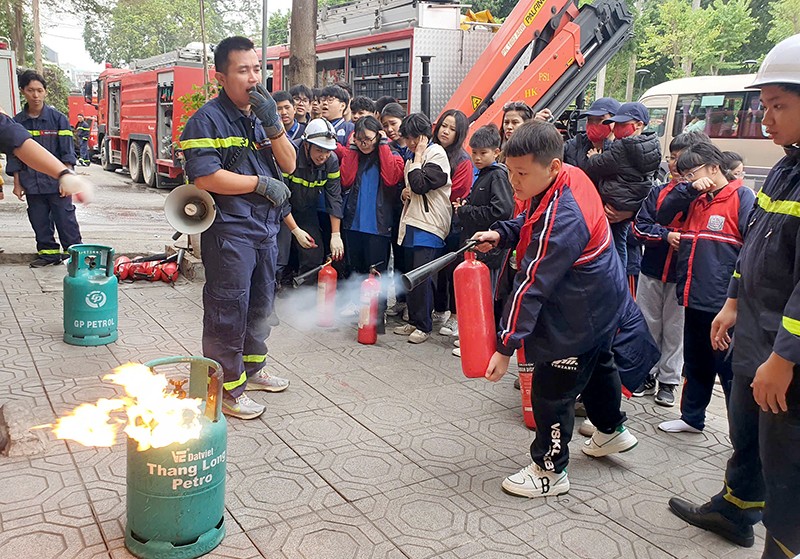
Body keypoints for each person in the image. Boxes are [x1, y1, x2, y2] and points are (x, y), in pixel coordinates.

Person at [668, 35, 800, 558]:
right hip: (753, 334)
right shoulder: (788, 167)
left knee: (786, 457)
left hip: (784, 350)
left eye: (779, 106)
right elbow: (754, 250)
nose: (766, 118)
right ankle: (736, 509)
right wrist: (731, 302)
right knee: (748, 434)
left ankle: (784, 546)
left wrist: (785, 358)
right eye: (764, 105)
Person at [472, 120, 638, 498]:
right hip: (603, 298)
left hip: (579, 309)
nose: (514, 181)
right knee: (597, 366)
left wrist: (505, 345)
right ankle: (612, 431)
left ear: (553, 167)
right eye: (511, 170)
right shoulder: (564, 178)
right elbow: (531, 218)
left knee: (553, 388)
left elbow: (531, 282)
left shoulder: (564, 215)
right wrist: (503, 232)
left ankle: (550, 470)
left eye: (521, 174)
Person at [178, 36, 296, 420]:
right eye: (243, 70)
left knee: (260, 305)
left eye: (257, 68)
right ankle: (225, 389)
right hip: (230, 231)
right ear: (220, 78)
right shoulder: (206, 120)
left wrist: (274, 125)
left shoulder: (263, 118)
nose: (253, 77)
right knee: (228, 309)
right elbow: (206, 177)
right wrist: (259, 184)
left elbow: (290, 165)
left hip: (264, 229)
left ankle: (253, 369)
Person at [655, 142, 755, 433]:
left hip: (723, 302)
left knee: (729, 370)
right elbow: (662, 214)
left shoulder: (741, 197)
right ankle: (691, 417)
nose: (686, 178)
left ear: (713, 167)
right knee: (697, 362)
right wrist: (688, 189)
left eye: (691, 172)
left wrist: (735, 301)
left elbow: (751, 249)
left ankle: (741, 434)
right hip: (693, 295)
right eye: (683, 174)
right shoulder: (695, 199)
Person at [632, 131, 710, 407]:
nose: (676, 165)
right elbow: (640, 227)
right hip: (652, 268)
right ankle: (646, 373)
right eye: (673, 158)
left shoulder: (706, 197)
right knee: (648, 323)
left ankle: (669, 380)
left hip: (684, 275)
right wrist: (665, 236)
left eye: (683, 160)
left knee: (676, 329)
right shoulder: (658, 191)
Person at [333, 115, 405, 330]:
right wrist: (354, 150)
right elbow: (344, 179)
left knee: (377, 273)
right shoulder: (354, 154)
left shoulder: (392, 154)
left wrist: (382, 144)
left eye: (368, 139)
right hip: (353, 223)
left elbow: (392, 178)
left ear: (378, 137)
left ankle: (378, 312)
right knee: (357, 268)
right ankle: (359, 305)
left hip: (378, 226)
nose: (364, 144)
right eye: (360, 139)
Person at [7, 70, 83, 268]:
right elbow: (14, 154)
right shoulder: (16, 122)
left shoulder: (58, 120)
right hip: (31, 182)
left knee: (66, 220)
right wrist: (17, 182)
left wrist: (67, 177)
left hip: (57, 182)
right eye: (31, 90)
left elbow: (67, 151)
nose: (36, 95)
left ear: (46, 92)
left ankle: (75, 256)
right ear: (22, 91)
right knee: (39, 220)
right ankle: (48, 254)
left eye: (40, 90)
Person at [451, 123, 513, 356]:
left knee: (485, 297)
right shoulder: (486, 175)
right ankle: (476, 340)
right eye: (474, 152)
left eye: (483, 153)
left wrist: (466, 212)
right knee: (477, 294)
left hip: (490, 248)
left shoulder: (496, 175)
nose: (477, 157)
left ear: (496, 152)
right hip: (479, 245)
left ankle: (484, 343)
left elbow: (501, 212)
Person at [394, 113, 452, 344]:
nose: (409, 143)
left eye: (413, 138)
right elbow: (410, 188)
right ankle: (414, 320)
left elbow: (419, 185)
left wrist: (418, 156)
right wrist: (403, 193)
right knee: (412, 275)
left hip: (430, 224)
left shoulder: (436, 154)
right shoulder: (411, 158)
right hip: (413, 222)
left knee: (422, 277)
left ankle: (424, 325)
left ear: (423, 136)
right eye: (407, 138)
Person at [584, 102, 661, 270]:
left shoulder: (622, 147)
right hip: (630, 202)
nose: (617, 128)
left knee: (618, 243)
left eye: (622, 124)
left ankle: (617, 271)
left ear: (639, 124)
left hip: (617, 204)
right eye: (591, 120)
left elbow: (600, 165)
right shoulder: (652, 145)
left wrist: (593, 157)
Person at [281, 118, 344, 276]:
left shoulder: (332, 161)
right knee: (278, 257)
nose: (323, 156)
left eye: (327, 151)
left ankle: (306, 297)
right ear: (307, 145)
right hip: (281, 213)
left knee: (313, 255)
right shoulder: (290, 154)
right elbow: (279, 199)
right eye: (319, 150)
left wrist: (336, 235)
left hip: (307, 211)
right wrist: (295, 230)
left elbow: (334, 197)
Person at [432, 109, 472, 337]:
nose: (445, 131)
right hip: (433, 220)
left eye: (452, 129)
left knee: (452, 268)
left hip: (453, 223)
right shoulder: (431, 150)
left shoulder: (462, 160)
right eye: (443, 126)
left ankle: (455, 316)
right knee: (437, 268)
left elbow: (458, 192)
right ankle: (439, 309)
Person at [563, 97, 621, 181]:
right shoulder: (575, 145)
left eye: (600, 120)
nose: (593, 124)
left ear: (615, 122)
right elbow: (548, 154)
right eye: (590, 120)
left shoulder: (621, 151)